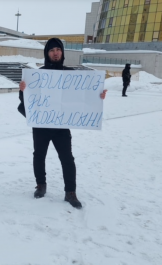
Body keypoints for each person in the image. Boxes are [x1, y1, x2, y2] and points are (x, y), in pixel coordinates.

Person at [18, 38, 107, 209]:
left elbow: (86, 96)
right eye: (52, 50)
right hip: (42, 125)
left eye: (58, 49)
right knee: (39, 156)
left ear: (62, 53)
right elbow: (27, 101)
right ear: (47, 53)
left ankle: (70, 192)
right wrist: (22, 90)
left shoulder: (71, 74)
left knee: (67, 158)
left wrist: (99, 95)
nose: (55, 52)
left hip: (61, 126)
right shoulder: (38, 74)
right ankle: (41, 185)